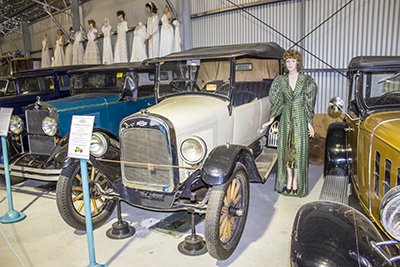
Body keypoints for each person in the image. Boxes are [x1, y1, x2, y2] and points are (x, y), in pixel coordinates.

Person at [262, 49, 317, 197]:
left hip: (300, 118)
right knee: (286, 152)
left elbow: (308, 103)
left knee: (299, 152)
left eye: (293, 61)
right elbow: (278, 102)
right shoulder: (281, 81)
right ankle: (289, 179)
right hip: (286, 119)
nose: (290, 64)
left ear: (298, 62)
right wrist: (271, 120)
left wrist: (309, 123)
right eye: (287, 61)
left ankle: (296, 183)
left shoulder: (306, 81)